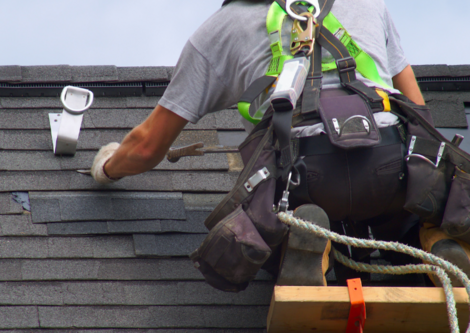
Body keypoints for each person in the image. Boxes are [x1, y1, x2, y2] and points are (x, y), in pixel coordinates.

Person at [91, 0, 470, 287]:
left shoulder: (222, 28)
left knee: (272, 212)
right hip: (393, 169)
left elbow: (146, 147)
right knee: (416, 191)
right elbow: (419, 113)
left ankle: (306, 246)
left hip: (306, 178)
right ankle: (433, 237)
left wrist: (107, 167)